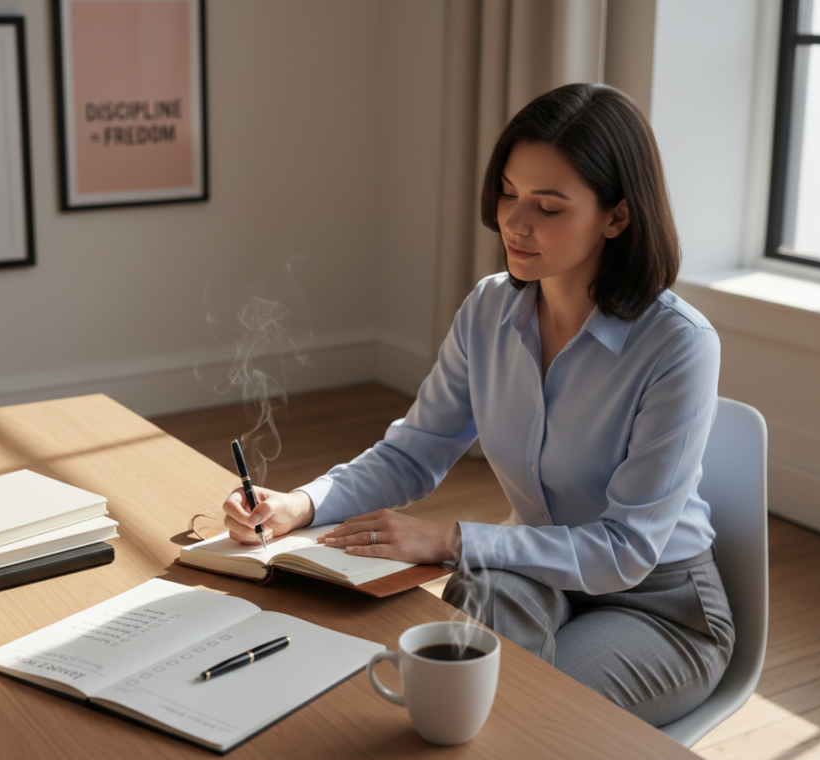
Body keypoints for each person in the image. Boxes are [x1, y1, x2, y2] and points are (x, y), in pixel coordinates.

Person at [222, 83, 734, 727]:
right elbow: (414, 453)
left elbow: (624, 550)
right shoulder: (491, 309)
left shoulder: (678, 345)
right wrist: (301, 503)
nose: (515, 224)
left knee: (517, 714)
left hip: (659, 605)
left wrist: (450, 539)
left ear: (617, 217)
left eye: (548, 207)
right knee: (453, 677)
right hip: (539, 568)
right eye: (509, 194)